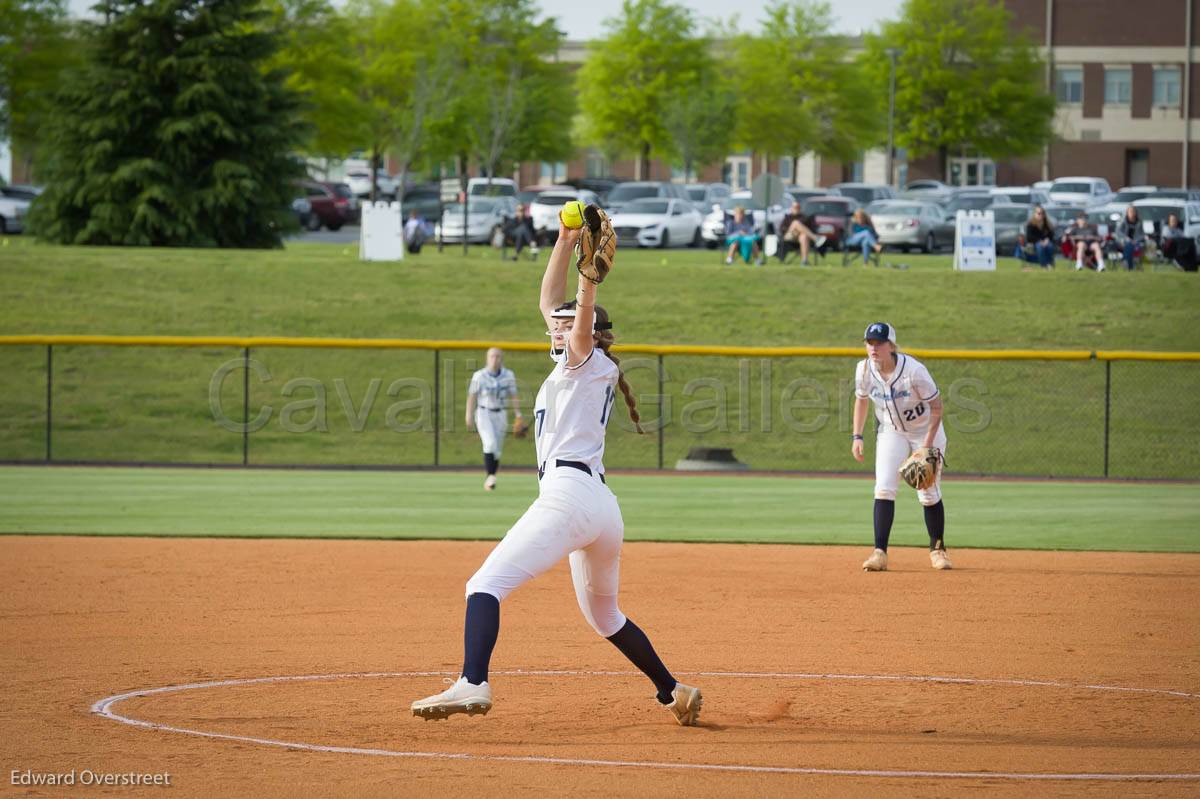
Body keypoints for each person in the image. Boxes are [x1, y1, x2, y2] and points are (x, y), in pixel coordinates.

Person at [412, 212, 702, 726]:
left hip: (569, 495)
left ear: (587, 331)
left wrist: (587, 284)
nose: (557, 325)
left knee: (484, 584)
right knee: (607, 618)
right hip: (599, 507)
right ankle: (673, 690)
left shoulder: (587, 358)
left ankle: (472, 681)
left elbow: (576, 315)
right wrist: (565, 241)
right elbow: (548, 302)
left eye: (565, 324)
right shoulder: (572, 362)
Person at [851, 322, 952, 572]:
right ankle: (879, 553)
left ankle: (938, 550)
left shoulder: (914, 371)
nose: (874, 348)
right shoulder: (864, 369)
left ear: (891, 345)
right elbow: (861, 400)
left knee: (927, 491)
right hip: (891, 431)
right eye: (869, 342)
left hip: (925, 431)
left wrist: (925, 448)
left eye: (880, 343)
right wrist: (857, 436)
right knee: (884, 488)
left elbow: (937, 407)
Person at [466, 348, 522, 491]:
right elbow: (472, 396)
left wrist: (518, 415)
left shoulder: (508, 375)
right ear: (487, 358)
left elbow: (514, 395)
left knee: (497, 450)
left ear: (502, 359)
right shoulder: (479, 375)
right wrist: (469, 415)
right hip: (484, 413)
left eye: (497, 356)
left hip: (500, 413)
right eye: (492, 356)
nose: (494, 359)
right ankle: (490, 476)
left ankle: (491, 478)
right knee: (490, 444)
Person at [1114, 206, 1145, 271]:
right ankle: (1130, 265)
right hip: (1122, 242)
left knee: (1132, 246)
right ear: (1127, 213)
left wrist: (1135, 240)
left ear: (1136, 213)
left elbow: (1142, 235)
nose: (1132, 213)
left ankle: (1126, 262)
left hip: (1136, 243)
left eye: (1133, 211)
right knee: (1129, 245)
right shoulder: (1123, 221)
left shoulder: (1139, 222)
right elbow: (1118, 232)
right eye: (1130, 211)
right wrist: (1127, 239)